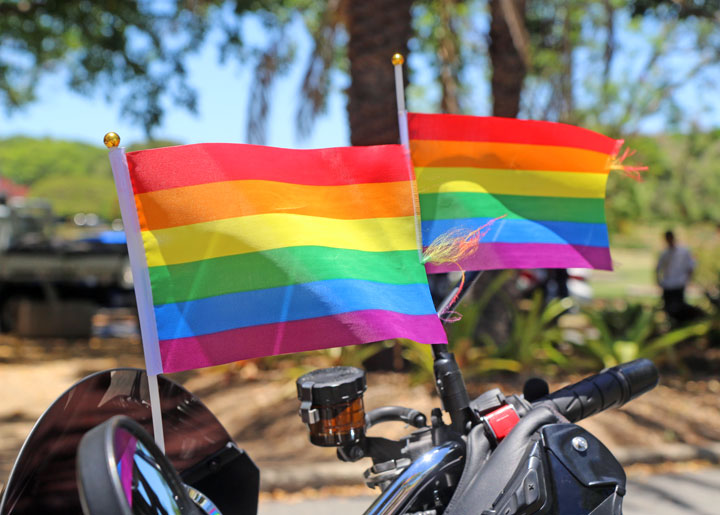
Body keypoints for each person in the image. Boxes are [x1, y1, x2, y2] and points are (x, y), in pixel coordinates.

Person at [656, 230, 696, 320]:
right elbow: (658, 268)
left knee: (680, 307)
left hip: (679, 283)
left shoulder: (684, 251)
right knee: (668, 307)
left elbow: (691, 266)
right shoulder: (664, 253)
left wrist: (688, 279)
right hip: (668, 284)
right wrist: (658, 280)